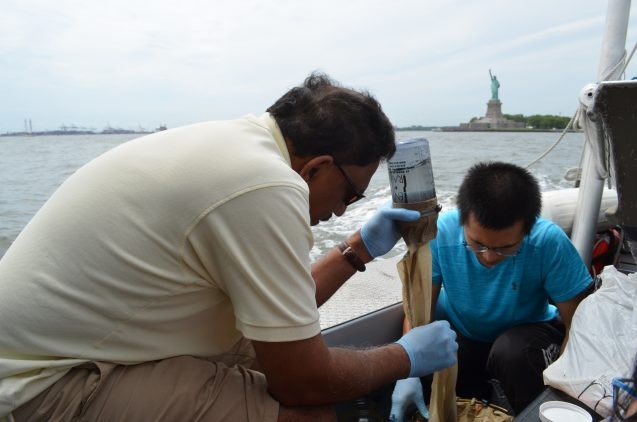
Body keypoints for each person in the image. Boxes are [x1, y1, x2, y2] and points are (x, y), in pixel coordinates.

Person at [0, 72, 458, 421]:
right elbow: (303, 382)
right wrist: (405, 357)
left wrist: (357, 249)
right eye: (350, 194)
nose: (342, 211)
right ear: (318, 167)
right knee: (308, 413)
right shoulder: (267, 187)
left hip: (68, 344)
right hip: (40, 379)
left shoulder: (241, 146)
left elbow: (278, 315)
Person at [390, 161, 593, 420]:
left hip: (526, 337)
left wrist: (562, 395)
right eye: (476, 244)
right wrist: (409, 372)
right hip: (466, 334)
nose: (488, 257)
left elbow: (578, 324)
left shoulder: (548, 242)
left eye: (505, 248)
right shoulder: (442, 233)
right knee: (432, 351)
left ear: (528, 229)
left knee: (511, 353)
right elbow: (417, 310)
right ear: (462, 220)